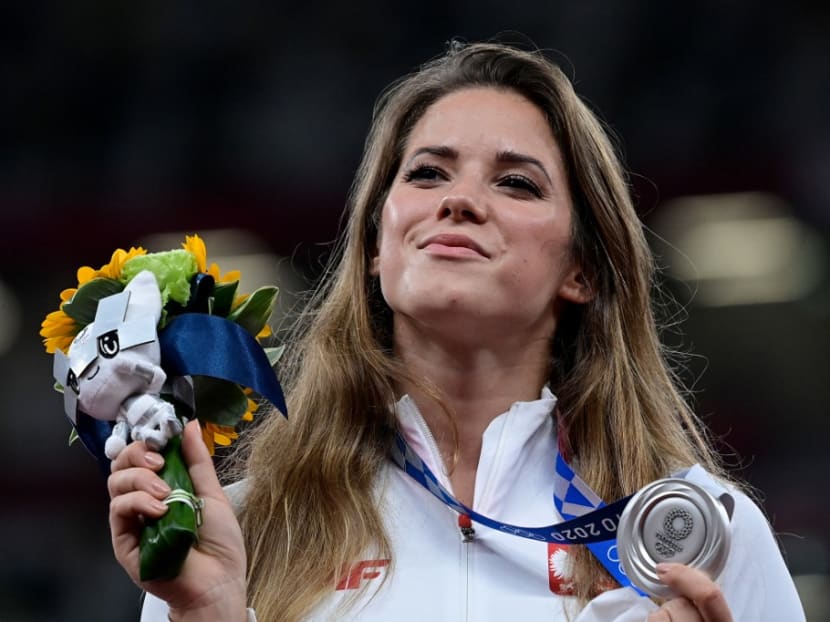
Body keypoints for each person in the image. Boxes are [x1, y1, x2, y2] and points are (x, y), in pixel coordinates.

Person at [107, 41, 805, 621]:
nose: (460, 200)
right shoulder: (241, 531)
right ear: (378, 246)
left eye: (517, 184)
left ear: (582, 271)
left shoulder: (697, 534)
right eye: (428, 173)